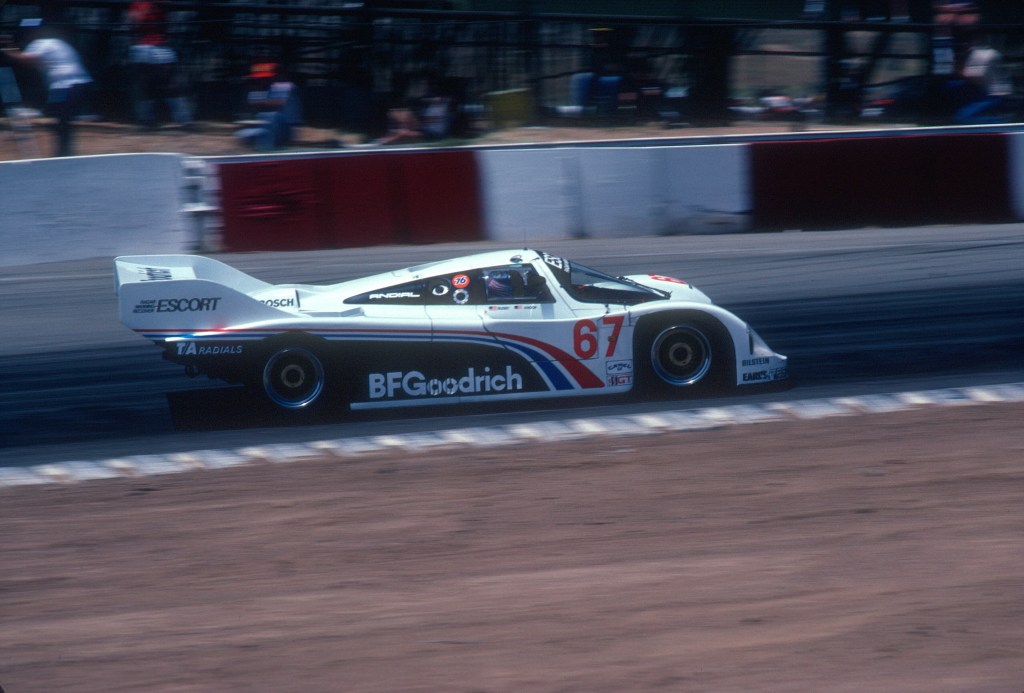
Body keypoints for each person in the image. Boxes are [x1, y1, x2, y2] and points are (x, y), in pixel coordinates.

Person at [0, 18, 93, 157]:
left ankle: (63, 153)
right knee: (61, 119)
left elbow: (26, 60)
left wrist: (7, 50)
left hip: (65, 86)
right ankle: (64, 151)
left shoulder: (40, 43)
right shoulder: (56, 42)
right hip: (78, 84)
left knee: (59, 118)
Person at [126, 0, 192, 129]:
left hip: (162, 45)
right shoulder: (137, 4)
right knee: (147, 85)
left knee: (172, 83)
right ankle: (146, 119)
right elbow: (134, 23)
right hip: (142, 46)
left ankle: (183, 119)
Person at [235, 62, 302, 151]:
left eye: (264, 78)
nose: (262, 80)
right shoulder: (270, 87)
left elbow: (275, 102)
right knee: (243, 133)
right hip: (273, 128)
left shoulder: (284, 85)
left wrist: (255, 97)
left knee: (271, 116)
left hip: (284, 129)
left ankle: (266, 149)